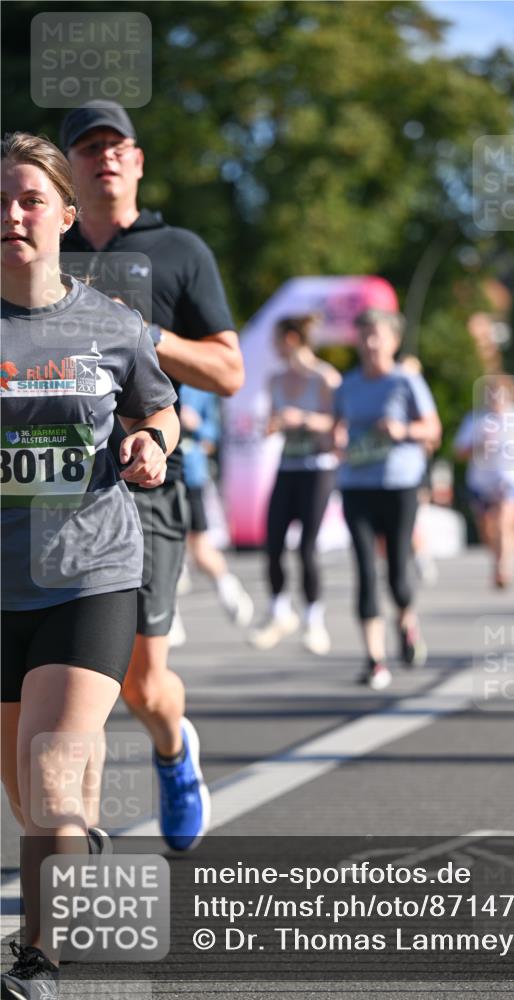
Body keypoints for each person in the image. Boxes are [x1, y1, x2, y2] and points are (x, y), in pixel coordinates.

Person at [1, 131, 179, 999]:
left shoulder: (111, 324)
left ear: (65, 215)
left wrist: (149, 442)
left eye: (30, 199)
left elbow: (161, 406)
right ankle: (70, 841)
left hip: (90, 573)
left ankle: (39, 960)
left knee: (51, 768)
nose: (11, 215)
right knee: (32, 801)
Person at [58, 101, 244, 852]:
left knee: (138, 686)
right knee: (74, 684)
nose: (104, 157)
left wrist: (141, 335)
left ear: (137, 162)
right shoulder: (41, 248)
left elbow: (229, 370)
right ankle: (74, 834)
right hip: (53, 491)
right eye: (88, 147)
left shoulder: (178, 250)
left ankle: (173, 752)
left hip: (149, 480)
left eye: (117, 146)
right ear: (66, 169)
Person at [334, 309, 442, 690]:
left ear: (393, 340)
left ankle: (407, 622)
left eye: (377, 335)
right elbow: (334, 430)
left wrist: (403, 429)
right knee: (364, 570)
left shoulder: (406, 381)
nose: (370, 342)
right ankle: (374, 660)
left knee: (397, 571)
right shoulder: (347, 385)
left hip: (399, 484)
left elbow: (434, 430)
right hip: (356, 485)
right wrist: (336, 439)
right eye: (363, 335)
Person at [250, 315, 340, 655]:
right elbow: (273, 420)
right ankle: (278, 612)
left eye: (277, 339)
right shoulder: (275, 379)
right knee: (272, 542)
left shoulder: (325, 377)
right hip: (287, 466)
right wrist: (274, 425)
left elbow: (337, 424)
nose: (273, 347)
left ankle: (314, 621)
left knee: (307, 547)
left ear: (290, 339)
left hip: (318, 467)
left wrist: (302, 419)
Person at [454, 374, 514, 588]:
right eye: (492, 395)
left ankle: (505, 568)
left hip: (511, 477)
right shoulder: (475, 419)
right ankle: (497, 560)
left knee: (505, 522)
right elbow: (459, 451)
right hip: (481, 481)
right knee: (487, 529)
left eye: (500, 394)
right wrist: (478, 447)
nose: (496, 399)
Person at [179, 383, 253, 626]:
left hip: (190, 475)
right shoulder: (148, 371)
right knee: (158, 552)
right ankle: (167, 622)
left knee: (199, 546)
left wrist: (194, 424)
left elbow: (212, 435)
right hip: (153, 479)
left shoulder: (199, 387)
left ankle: (228, 588)